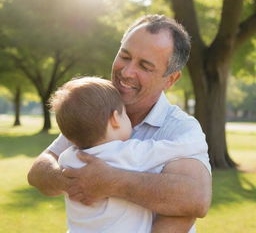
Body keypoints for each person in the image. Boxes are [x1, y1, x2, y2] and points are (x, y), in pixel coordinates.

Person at [27, 15, 212, 233]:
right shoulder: (94, 108)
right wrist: (71, 180)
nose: (126, 72)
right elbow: (38, 172)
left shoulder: (179, 128)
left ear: (170, 79)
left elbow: (194, 199)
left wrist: (110, 181)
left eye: (144, 66)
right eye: (125, 56)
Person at [50, 76, 208, 233]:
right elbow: (171, 149)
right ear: (114, 120)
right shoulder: (127, 153)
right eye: (124, 114)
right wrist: (197, 140)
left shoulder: (66, 159)